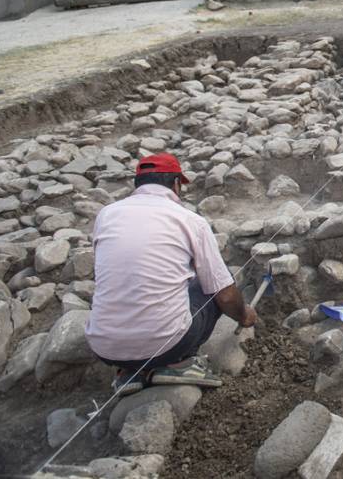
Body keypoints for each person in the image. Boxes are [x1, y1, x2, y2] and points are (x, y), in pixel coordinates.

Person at [85, 153, 257, 395]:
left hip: (104, 348)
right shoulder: (189, 220)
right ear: (176, 184)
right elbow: (225, 295)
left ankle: (129, 372)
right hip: (168, 345)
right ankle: (179, 363)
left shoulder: (106, 215)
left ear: (139, 184)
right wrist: (244, 316)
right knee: (215, 281)